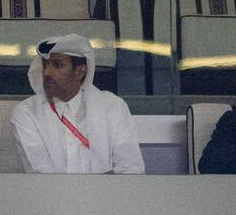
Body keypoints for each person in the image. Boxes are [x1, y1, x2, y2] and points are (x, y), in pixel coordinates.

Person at [10, 34, 145, 175]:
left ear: (80, 71)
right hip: (51, 196)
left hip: (106, 196)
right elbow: (41, 175)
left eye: (57, 65)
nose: (47, 73)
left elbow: (131, 169)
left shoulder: (112, 107)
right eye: (45, 65)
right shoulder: (27, 112)